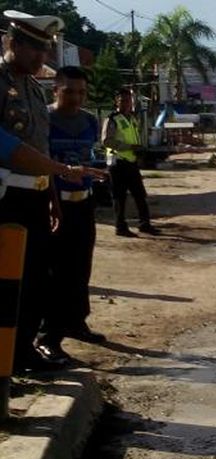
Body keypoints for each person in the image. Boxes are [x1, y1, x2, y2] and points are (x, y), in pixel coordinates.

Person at [0, 10, 73, 371]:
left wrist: (52, 199)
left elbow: (41, 151)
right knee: (6, 279)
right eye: (34, 50)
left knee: (35, 279)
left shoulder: (32, 87)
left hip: (36, 197)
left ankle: (22, 350)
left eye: (45, 51)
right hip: (5, 199)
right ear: (12, 43)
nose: (41, 58)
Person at [37, 66, 106, 365]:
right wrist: (53, 201)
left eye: (81, 92)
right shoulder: (44, 120)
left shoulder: (90, 120)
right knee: (55, 273)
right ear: (55, 90)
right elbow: (42, 164)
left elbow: (93, 156)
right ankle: (47, 338)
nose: (76, 97)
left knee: (81, 267)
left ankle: (77, 322)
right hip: (55, 205)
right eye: (69, 91)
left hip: (84, 204)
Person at [102, 87, 159, 237]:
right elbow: (107, 141)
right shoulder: (112, 119)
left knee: (140, 194)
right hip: (117, 162)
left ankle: (145, 224)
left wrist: (139, 150)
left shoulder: (133, 119)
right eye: (123, 100)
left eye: (128, 100)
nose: (126, 103)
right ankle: (120, 227)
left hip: (131, 161)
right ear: (117, 102)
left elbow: (135, 137)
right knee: (119, 196)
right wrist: (129, 147)